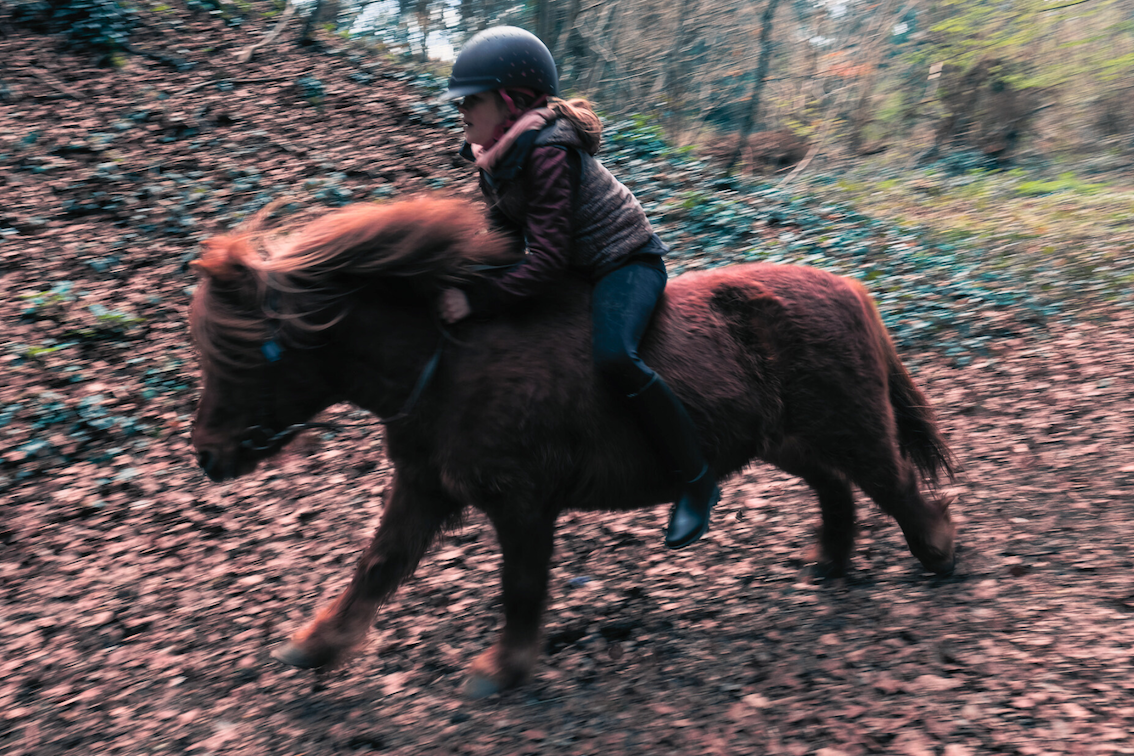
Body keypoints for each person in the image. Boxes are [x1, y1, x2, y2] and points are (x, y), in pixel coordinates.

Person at [436, 26, 719, 549]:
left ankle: (697, 480)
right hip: (573, 267)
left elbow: (544, 261)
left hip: (623, 261)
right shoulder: (493, 157)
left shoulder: (547, 152)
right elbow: (505, 242)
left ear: (511, 102)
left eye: (471, 100)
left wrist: (477, 298)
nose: (462, 110)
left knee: (614, 357)